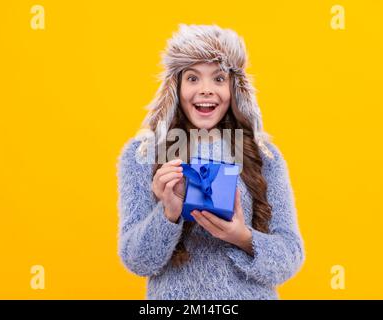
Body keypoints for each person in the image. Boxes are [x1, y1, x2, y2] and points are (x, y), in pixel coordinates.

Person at [117, 24, 305, 299]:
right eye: (193, 78)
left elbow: (290, 256)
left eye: (218, 78)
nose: (206, 90)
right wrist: (168, 212)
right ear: (176, 87)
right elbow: (137, 261)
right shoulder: (143, 155)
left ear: (235, 88)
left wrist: (242, 237)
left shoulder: (265, 156)